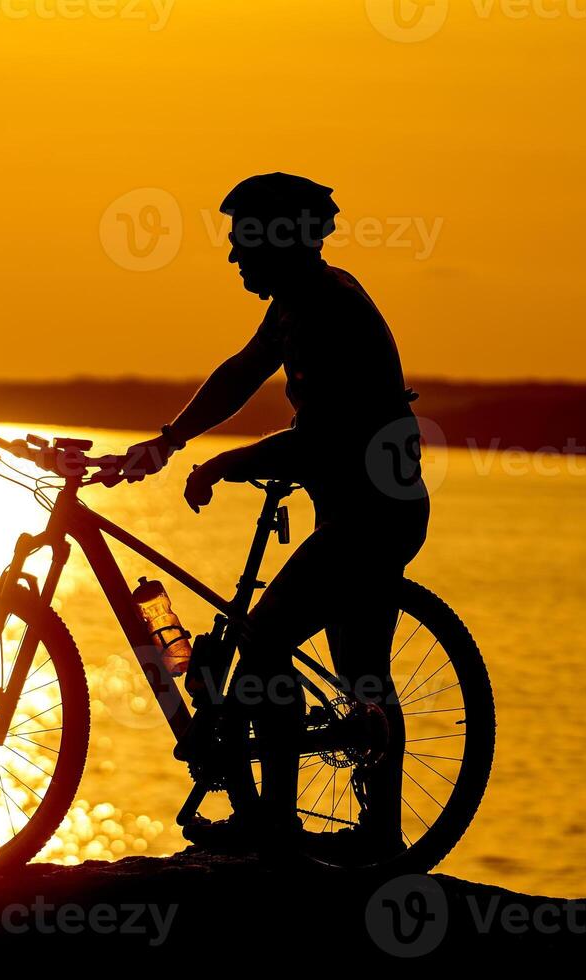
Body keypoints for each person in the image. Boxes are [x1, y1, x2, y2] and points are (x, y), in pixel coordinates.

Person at [102, 172, 429, 858]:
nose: (233, 257)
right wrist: (171, 438)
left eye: (242, 240)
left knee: (266, 638)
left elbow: (322, 440)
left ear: (280, 238)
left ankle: (273, 824)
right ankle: (381, 839)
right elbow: (241, 371)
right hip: (361, 511)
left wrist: (226, 464)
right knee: (362, 672)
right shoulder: (297, 303)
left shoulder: (329, 311)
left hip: (370, 518)